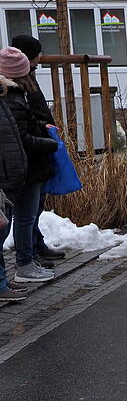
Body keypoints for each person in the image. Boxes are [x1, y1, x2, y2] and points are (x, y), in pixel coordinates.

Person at [0, 47, 59, 285]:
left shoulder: (13, 96)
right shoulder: (14, 98)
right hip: (21, 169)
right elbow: (20, 138)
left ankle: (11, 273)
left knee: (17, 219)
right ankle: (22, 265)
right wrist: (49, 144)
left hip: (18, 168)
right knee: (21, 218)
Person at [9, 34, 64, 264]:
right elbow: (22, 124)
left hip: (38, 148)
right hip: (30, 153)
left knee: (34, 207)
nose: (41, 57)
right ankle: (27, 256)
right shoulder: (16, 88)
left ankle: (35, 246)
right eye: (38, 53)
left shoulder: (28, 79)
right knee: (26, 213)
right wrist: (45, 137)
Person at [0, 75, 28, 301]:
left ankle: (1, 280)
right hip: (3, 180)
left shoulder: (4, 96)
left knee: (2, 232)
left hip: (8, 180)